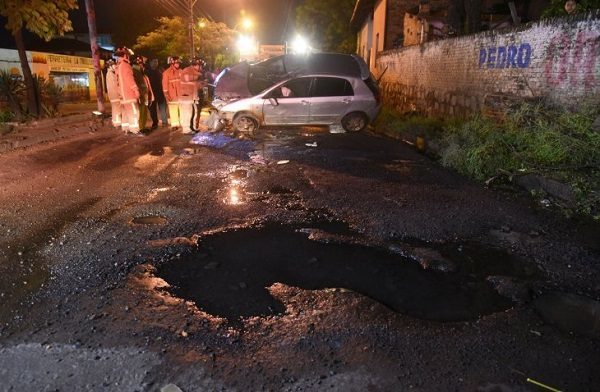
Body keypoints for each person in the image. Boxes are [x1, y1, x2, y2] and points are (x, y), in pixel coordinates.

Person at [115, 47, 141, 135]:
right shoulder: (126, 66)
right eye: (128, 55)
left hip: (122, 96)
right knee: (134, 112)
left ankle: (126, 129)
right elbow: (129, 79)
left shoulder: (118, 67)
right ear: (125, 55)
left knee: (125, 113)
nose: (129, 57)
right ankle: (135, 130)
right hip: (129, 95)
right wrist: (135, 90)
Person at [179, 57, 207, 134]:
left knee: (194, 113)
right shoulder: (187, 70)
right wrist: (200, 78)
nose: (201, 68)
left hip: (193, 96)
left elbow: (196, 84)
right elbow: (188, 79)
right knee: (187, 113)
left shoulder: (195, 72)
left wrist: (202, 83)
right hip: (186, 97)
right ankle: (186, 130)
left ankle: (193, 127)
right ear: (196, 65)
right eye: (200, 66)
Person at [132, 56, 154, 132]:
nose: (143, 66)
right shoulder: (134, 72)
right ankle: (141, 127)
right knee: (141, 112)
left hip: (144, 96)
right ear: (138, 64)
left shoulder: (141, 73)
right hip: (140, 96)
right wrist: (139, 95)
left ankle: (143, 127)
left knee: (144, 112)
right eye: (141, 64)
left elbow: (146, 85)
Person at [162, 56, 182, 130]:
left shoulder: (180, 71)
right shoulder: (166, 73)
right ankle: (174, 125)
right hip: (172, 96)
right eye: (177, 63)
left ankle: (183, 123)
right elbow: (164, 85)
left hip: (181, 95)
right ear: (172, 63)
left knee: (182, 110)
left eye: (178, 63)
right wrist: (166, 95)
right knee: (173, 111)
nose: (178, 64)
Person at [146, 59, 168, 129]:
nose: (155, 63)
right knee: (153, 109)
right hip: (152, 93)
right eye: (153, 61)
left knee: (162, 108)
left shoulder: (161, 70)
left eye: (156, 61)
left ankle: (164, 121)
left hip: (161, 92)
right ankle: (155, 122)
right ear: (150, 62)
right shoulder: (147, 71)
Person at [105, 59, 121, 129]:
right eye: (114, 65)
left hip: (113, 95)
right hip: (115, 95)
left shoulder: (110, 73)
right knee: (116, 110)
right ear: (110, 66)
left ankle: (116, 122)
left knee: (116, 109)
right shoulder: (110, 74)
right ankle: (117, 123)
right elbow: (115, 85)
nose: (115, 66)